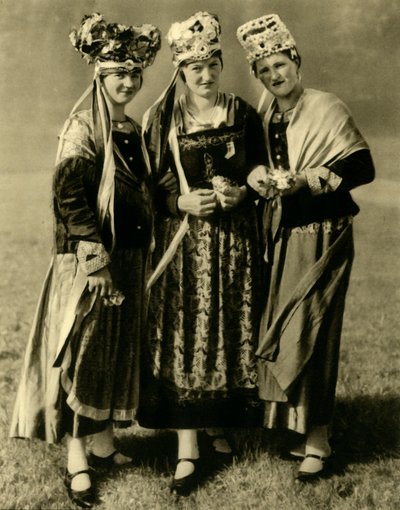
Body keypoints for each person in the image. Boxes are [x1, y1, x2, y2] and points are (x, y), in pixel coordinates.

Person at [10, 13, 161, 507]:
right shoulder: (82, 128)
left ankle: (102, 441)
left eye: (135, 74)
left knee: (116, 350)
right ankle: (76, 457)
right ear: (99, 75)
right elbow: (70, 197)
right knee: (85, 350)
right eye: (119, 73)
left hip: (130, 256)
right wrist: (94, 257)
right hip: (90, 259)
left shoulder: (129, 128)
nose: (128, 82)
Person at [236, 14, 375, 481]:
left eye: (280, 65)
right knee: (284, 326)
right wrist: (257, 178)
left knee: (315, 328)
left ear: (296, 61)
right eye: (265, 70)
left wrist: (307, 180)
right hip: (280, 236)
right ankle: (292, 427)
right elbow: (255, 167)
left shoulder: (326, 106)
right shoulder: (264, 115)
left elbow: (362, 166)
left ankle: (319, 437)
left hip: (325, 232)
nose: (275, 76)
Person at [137, 11, 268, 495]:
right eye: (196, 69)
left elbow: (259, 169)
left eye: (213, 64)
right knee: (185, 334)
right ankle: (187, 447)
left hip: (233, 247)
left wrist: (244, 194)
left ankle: (220, 422)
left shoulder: (242, 111)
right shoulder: (161, 119)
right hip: (183, 249)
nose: (207, 76)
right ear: (181, 71)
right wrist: (180, 201)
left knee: (228, 332)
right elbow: (146, 191)